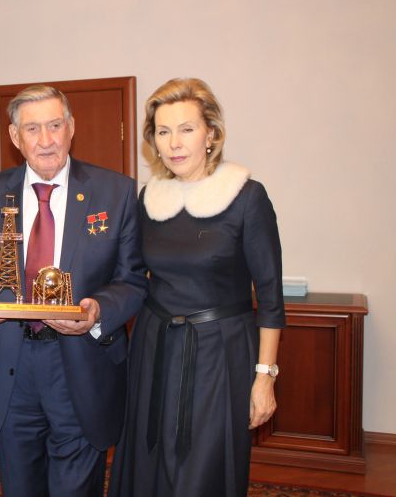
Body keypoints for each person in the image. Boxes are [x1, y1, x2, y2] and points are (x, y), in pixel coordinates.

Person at [0, 85, 147, 497]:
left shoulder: (116, 192)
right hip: (12, 367)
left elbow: (133, 280)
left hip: (82, 363)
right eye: (32, 129)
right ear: (15, 137)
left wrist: (97, 311)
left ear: (71, 128)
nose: (46, 140)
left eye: (55, 125)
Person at [108, 78, 285, 497]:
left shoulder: (246, 197)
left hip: (220, 354)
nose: (174, 143)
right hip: (154, 349)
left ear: (211, 134)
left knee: (202, 471)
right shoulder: (150, 198)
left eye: (186, 129)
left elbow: (270, 297)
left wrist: (265, 377)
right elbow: (131, 274)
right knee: (149, 465)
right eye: (163, 131)